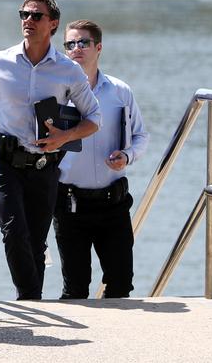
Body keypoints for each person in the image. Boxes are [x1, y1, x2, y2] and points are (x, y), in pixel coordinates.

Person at [0, 0, 101, 300]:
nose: (28, 20)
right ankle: (28, 298)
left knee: (36, 242)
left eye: (36, 16)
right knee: (13, 232)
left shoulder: (68, 70)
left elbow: (94, 118)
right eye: (24, 14)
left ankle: (32, 300)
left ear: (52, 24)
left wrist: (63, 138)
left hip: (44, 165)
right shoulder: (0, 61)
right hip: (3, 162)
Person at [54, 20, 149, 299]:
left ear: (98, 48)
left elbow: (141, 136)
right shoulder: (56, 93)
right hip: (70, 204)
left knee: (121, 285)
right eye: (70, 44)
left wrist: (127, 156)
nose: (76, 49)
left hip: (113, 203)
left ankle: (116, 340)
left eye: (83, 42)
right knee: (75, 289)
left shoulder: (120, 91)